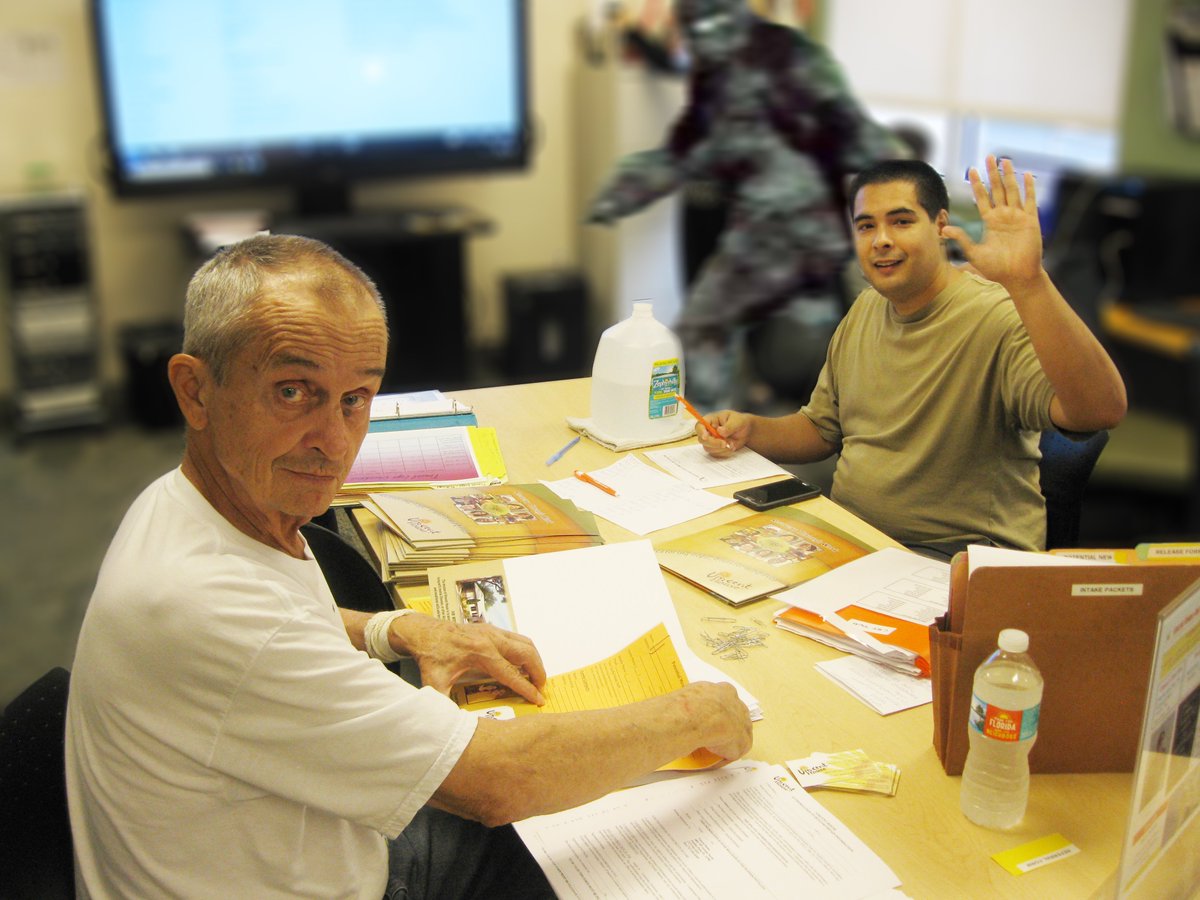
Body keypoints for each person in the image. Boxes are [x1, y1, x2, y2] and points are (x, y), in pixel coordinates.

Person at [64, 234, 752, 899]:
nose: (333, 442)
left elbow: (273, 621)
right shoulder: (202, 605)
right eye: (293, 391)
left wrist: (392, 630)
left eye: (355, 398)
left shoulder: (178, 506)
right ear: (194, 391)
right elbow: (497, 782)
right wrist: (697, 713)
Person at [696, 156, 1127, 552]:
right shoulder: (867, 307)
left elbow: (1100, 411)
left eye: (901, 222)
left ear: (941, 226)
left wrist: (1029, 282)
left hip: (955, 557)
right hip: (854, 539)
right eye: (866, 226)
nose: (881, 240)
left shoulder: (997, 315)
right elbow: (821, 429)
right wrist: (751, 429)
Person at [586, 0, 906, 411]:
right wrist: (632, 34)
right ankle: (735, 404)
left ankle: (754, 410)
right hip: (712, 203)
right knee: (712, 318)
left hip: (763, 213)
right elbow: (677, 70)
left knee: (730, 320)